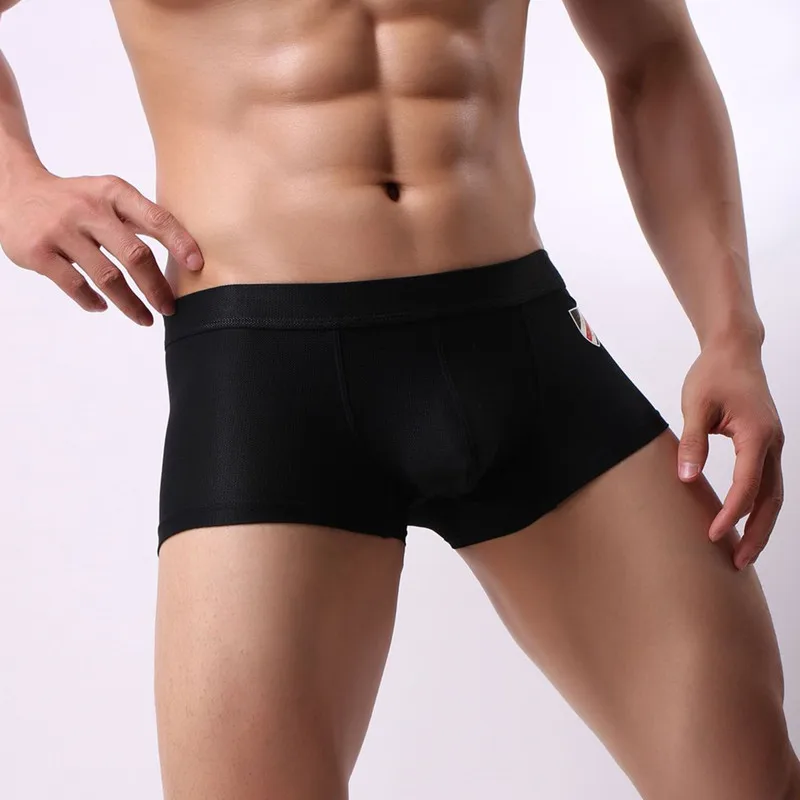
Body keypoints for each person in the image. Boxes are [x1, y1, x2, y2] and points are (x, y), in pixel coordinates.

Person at [0, 0, 797, 796]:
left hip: (520, 343)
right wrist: (15, 186)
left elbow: (653, 58)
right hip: (267, 382)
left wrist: (731, 333)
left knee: (749, 782)